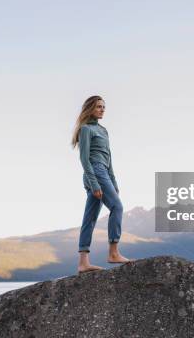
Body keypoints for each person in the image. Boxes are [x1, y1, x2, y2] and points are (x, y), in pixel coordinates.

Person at [71, 95, 131, 274]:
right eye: (98, 106)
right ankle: (113, 253)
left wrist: (114, 181)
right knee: (117, 207)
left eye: (104, 107)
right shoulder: (86, 130)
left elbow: (109, 159)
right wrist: (94, 182)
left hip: (104, 172)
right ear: (90, 108)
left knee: (89, 218)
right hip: (95, 172)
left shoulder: (104, 131)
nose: (102, 109)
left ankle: (83, 263)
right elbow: (85, 159)